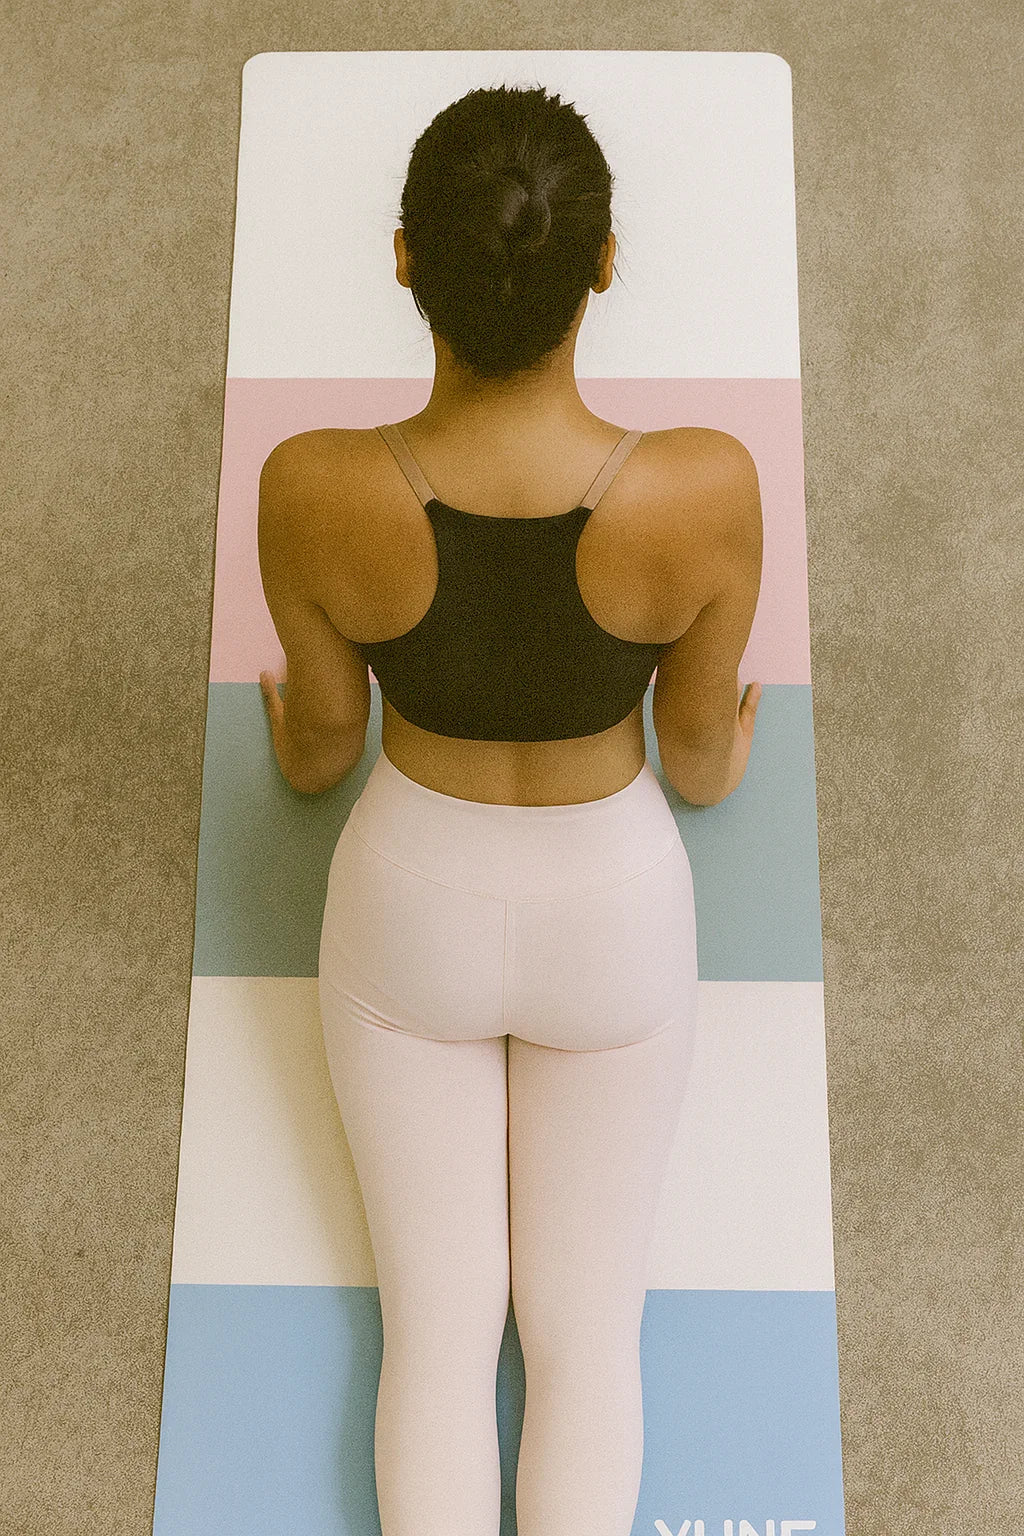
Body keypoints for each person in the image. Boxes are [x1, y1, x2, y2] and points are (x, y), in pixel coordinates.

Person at [258, 82, 762, 1536]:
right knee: (586, 1339)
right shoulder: (702, 487)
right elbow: (704, 766)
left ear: (405, 257)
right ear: (602, 266)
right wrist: (730, 730)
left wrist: (284, 730)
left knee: (435, 1334)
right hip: (613, 914)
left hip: (408, 906)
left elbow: (318, 757)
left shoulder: (315, 485)